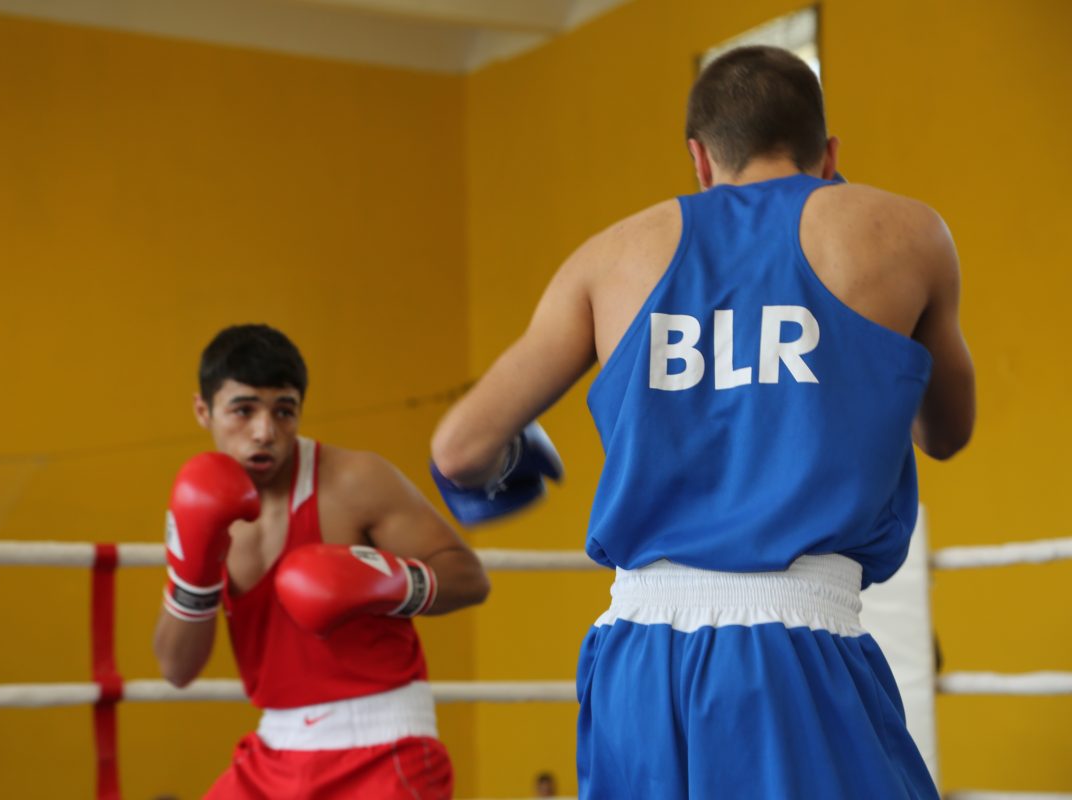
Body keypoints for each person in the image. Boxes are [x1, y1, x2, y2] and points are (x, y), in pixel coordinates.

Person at [430, 45, 974, 799]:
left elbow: (460, 450)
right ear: (829, 152)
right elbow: (947, 433)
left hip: (638, 656)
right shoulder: (903, 231)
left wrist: (508, 465)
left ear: (699, 157)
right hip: (796, 648)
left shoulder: (610, 254)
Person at [154, 324, 490, 800]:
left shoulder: (355, 481)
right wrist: (194, 578)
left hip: (384, 743)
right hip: (275, 748)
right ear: (202, 410)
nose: (265, 431)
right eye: (243, 410)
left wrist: (387, 582)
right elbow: (176, 669)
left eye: (283, 411)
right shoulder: (200, 505)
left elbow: (469, 577)